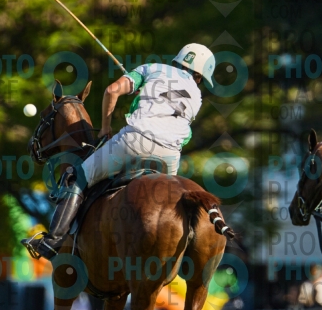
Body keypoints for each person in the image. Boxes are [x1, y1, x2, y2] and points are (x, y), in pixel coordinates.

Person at [22, 43, 216, 260]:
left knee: (76, 177)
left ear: (177, 61)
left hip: (135, 142)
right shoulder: (196, 97)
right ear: (200, 76)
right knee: (171, 204)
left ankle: (52, 242)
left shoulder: (152, 69)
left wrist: (105, 128)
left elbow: (111, 91)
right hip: (170, 155)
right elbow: (185, 134)